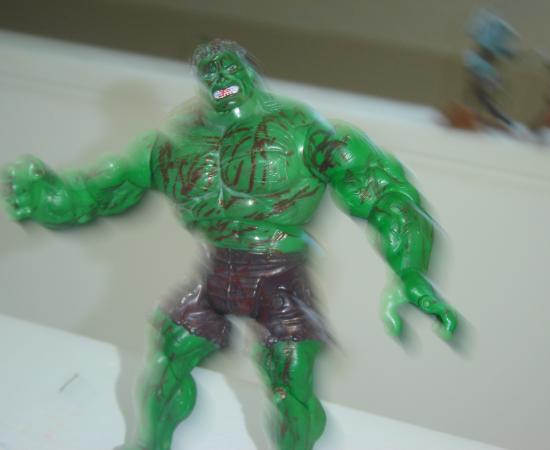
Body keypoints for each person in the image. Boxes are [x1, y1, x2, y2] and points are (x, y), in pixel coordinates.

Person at [2, 39, 457, 450]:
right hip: (216, 271)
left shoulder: (301, 131)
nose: (219, 77)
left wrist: (411, 273)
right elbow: (100, 191)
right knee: (170, 358)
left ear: (250, 71)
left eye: (229, 67)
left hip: (280, 275)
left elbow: (386, 196)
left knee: (291, 385)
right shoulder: (175, 142)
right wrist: (45, 199)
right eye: (209, 72)